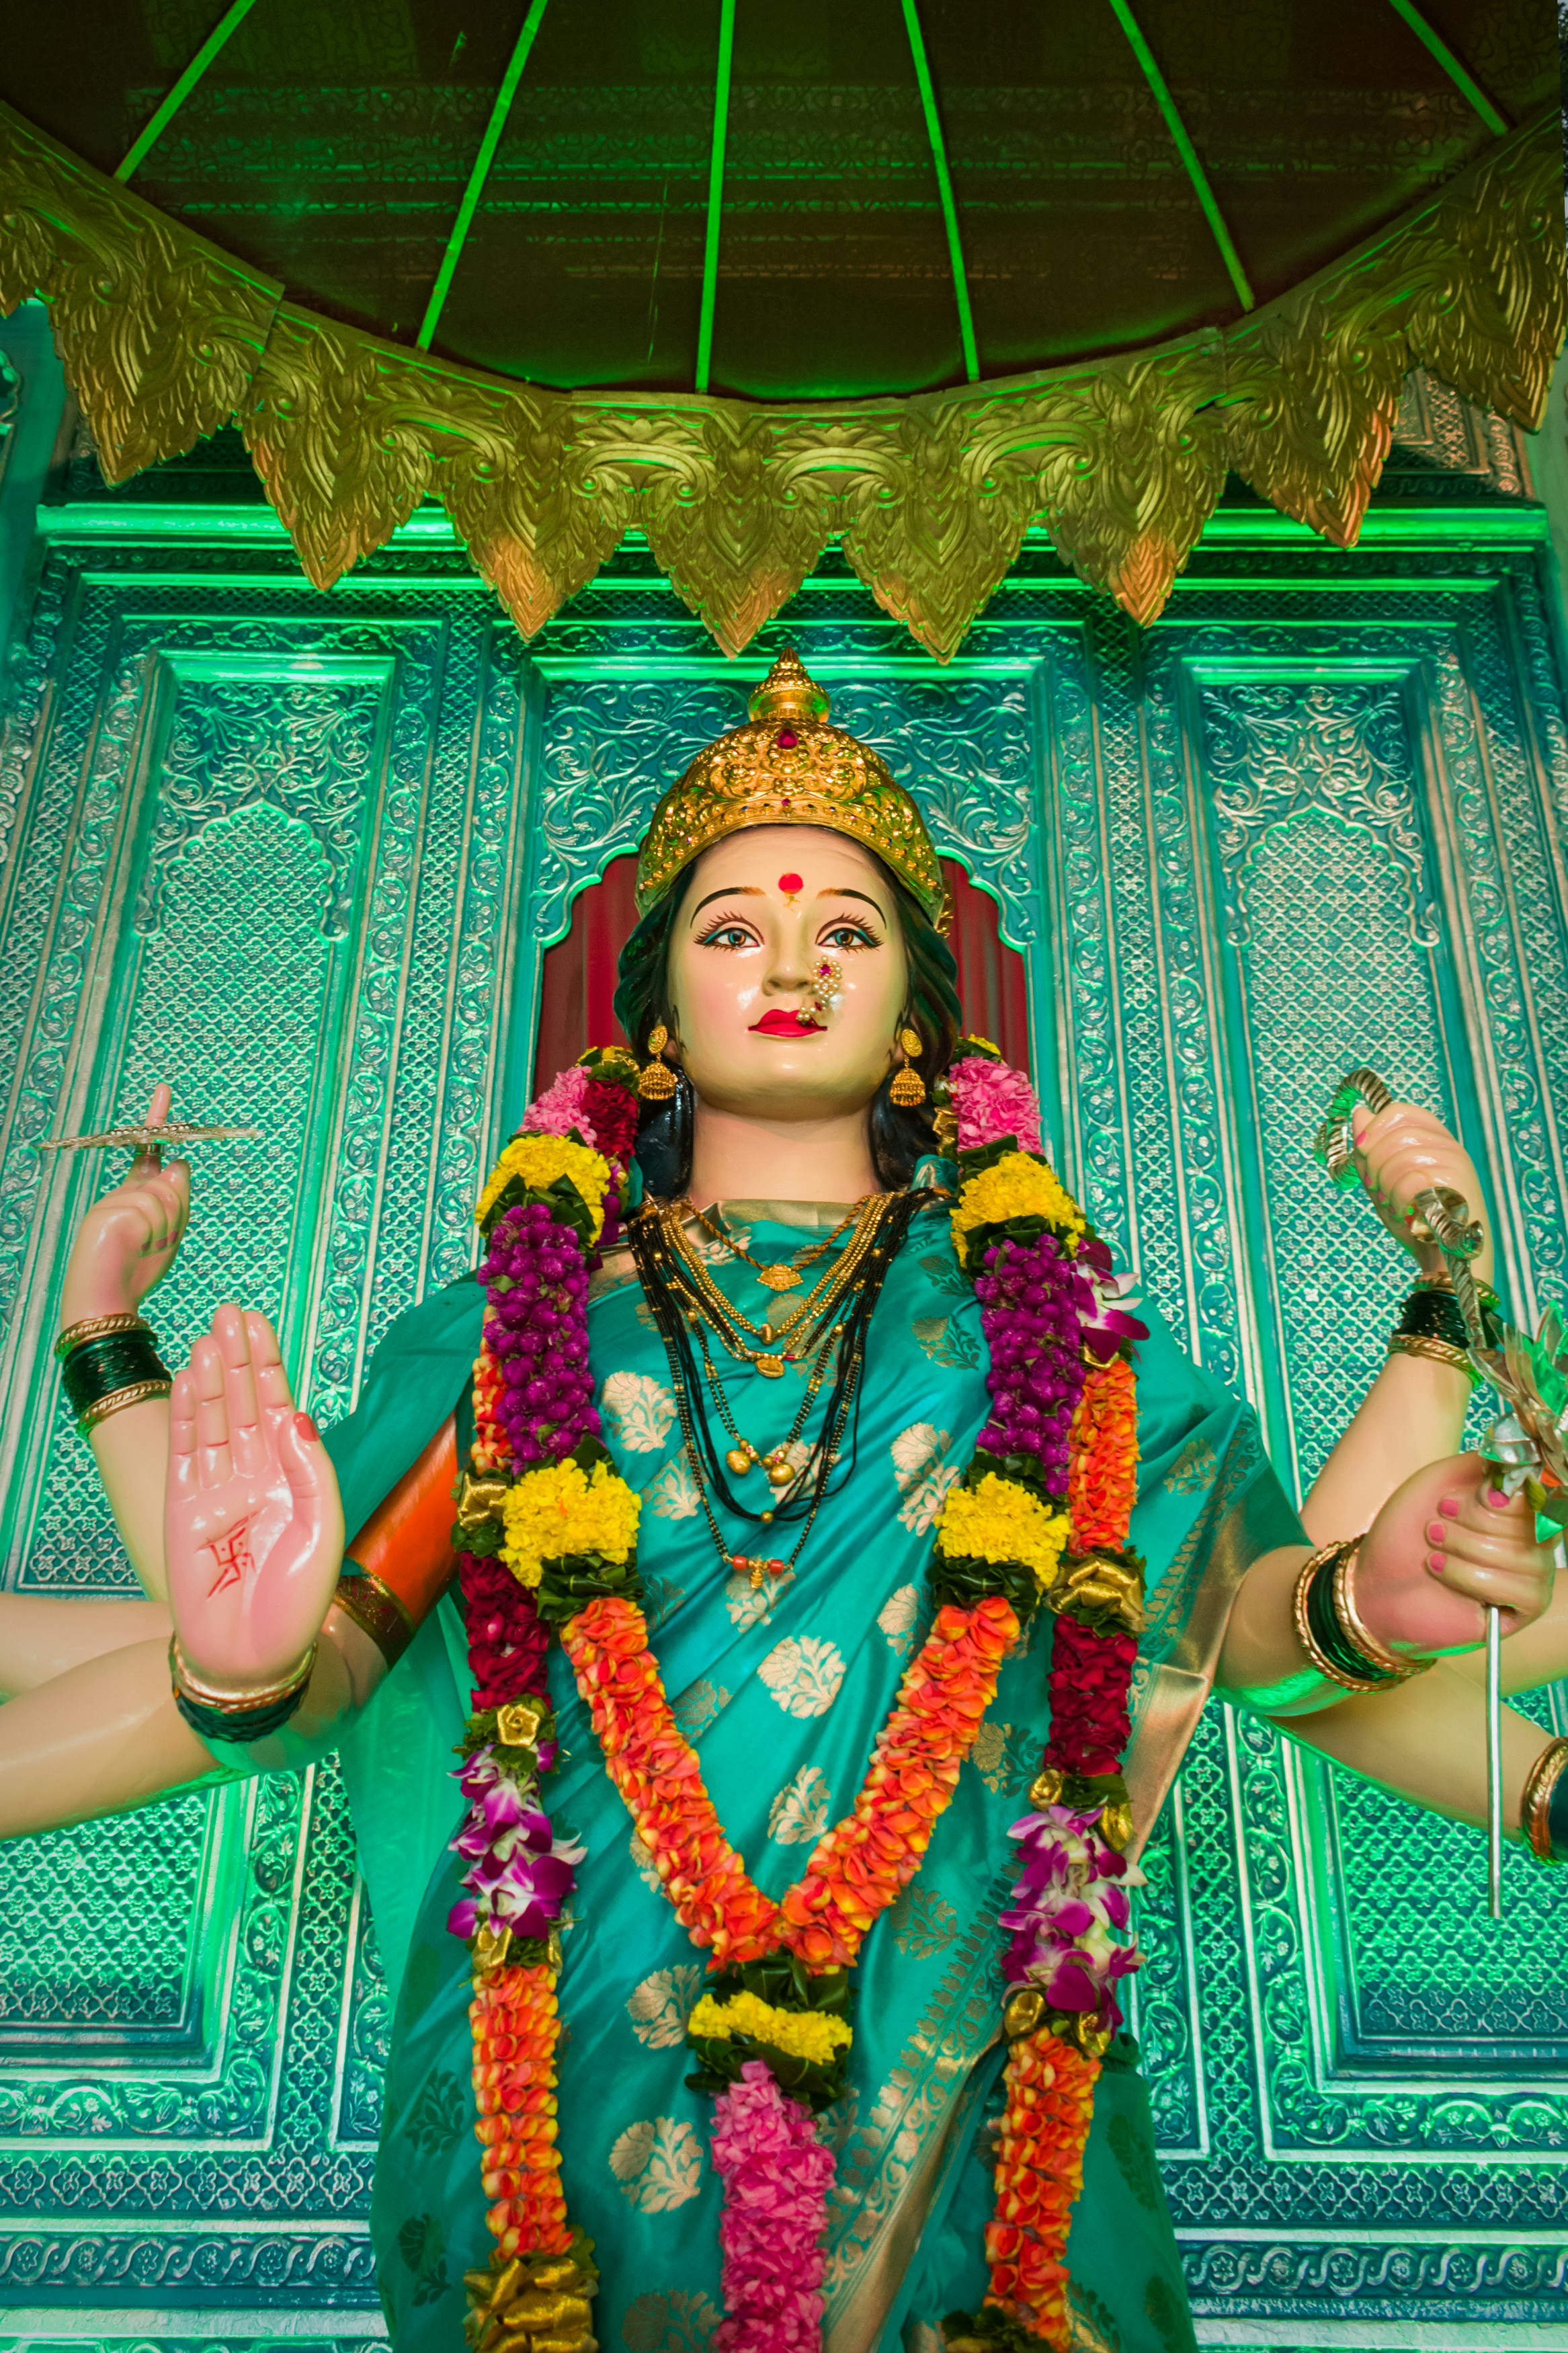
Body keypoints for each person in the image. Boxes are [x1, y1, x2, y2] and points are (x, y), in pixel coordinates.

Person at [3, 651, 1561, 2353]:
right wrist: (243, 1659)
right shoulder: (512, 1334)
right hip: (569, 2049)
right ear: (657, 1003)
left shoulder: (1061, 1332)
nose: (796, 964)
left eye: (849, 932)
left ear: (919, 1014)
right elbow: (341, 1664)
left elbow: (1222, 1620)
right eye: (736, 928)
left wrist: (1360, 1600)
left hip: (967, 2050)